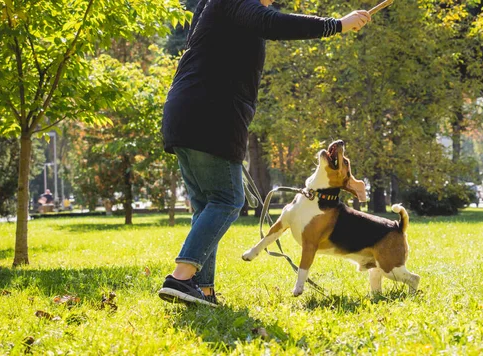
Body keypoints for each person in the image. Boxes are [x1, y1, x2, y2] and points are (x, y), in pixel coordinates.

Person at [158, 0, 372, 306]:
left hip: (187, 115)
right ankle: (180, 277)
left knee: (206, 206)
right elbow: (275, 23)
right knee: (228, 200)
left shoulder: (220, 10)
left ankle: (201, 290)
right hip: (210, 117)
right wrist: (336, 24)